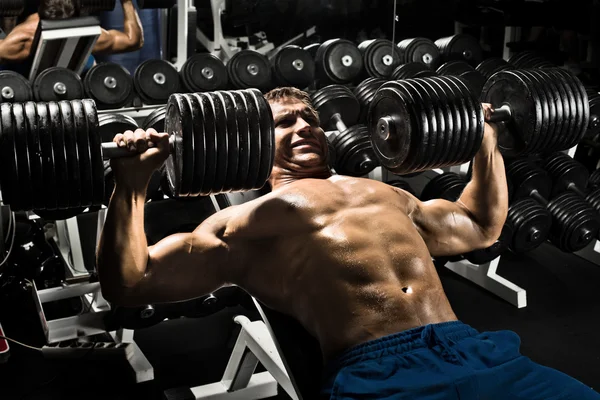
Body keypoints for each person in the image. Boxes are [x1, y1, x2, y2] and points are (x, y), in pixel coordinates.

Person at [97, 87, 600, 399]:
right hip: (379, 371)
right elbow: (131, 281)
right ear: (250, 142)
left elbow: (478, 224)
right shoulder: (245, 223)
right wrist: (131, 184)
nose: (304, 127)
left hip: (473, 349)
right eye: (284, 122)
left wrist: (486, 139)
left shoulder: (386, 192)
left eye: (310, 118)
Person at [0, 0, 143, 72]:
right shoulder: (85, 32)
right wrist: (127, 2)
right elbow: (133, 40)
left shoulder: (23, 38)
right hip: (27, 87)